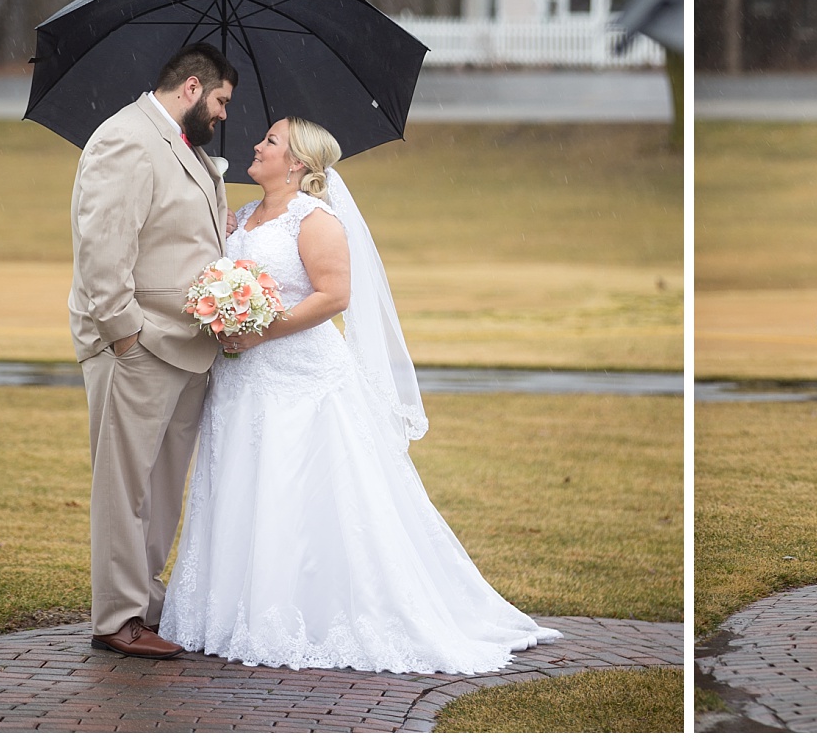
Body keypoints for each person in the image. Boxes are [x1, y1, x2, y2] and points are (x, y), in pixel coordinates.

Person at [160, 116, 561, 673]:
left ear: (296, 162)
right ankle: (232, 612)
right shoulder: (245, 215)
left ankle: (309, 611)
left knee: (305, 487)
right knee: (242, 480)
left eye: (270, 141)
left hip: (301, 376)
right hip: (240, 379)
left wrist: (261, 329)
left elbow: (335, 294)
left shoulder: (315, 218)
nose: (256, 144)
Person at [70, 42, 238, 660]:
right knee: (124, 487)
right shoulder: (126, 139)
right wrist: (123, 333)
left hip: (189, 346)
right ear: (192, 88)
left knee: (164, 489)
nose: (222, 114)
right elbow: (102, 245)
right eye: (220, 100)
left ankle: (143, 601)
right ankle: (116, 617)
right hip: (138, 346)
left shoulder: (188, 149)